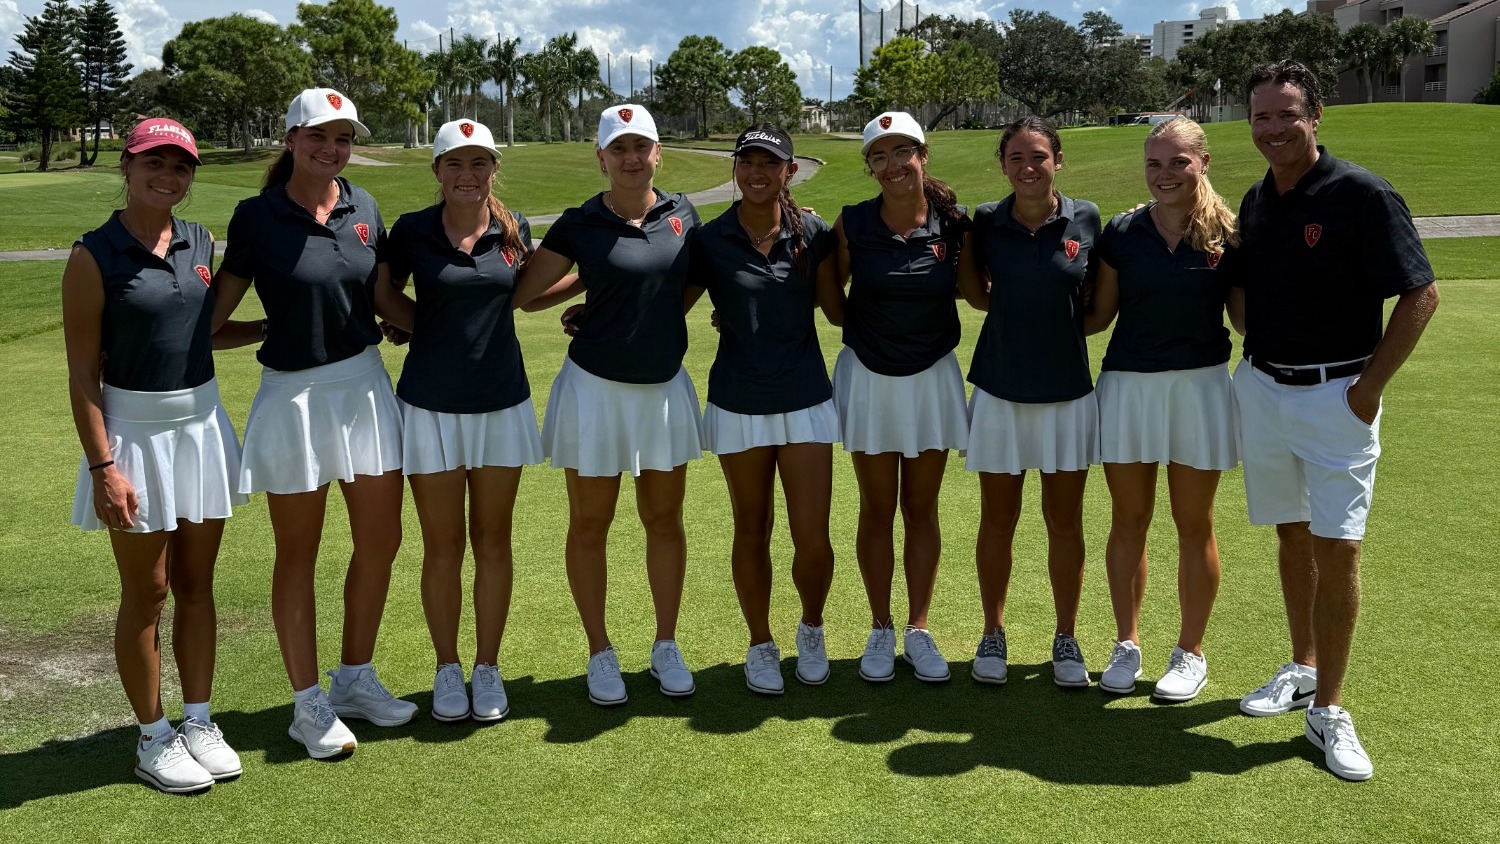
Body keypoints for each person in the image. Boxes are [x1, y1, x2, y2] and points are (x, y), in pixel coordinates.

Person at [1225, 61, 1438, 782]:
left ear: (1317, 116)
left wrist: (1368, 388)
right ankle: (1302, 668)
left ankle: (1331, 710)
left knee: (1338, 548)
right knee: (1291, 534)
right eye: (1261, 117)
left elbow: (1421, 294)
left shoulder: (1362, 194)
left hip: (1336, 397)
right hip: (1264, 389)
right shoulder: (1257, 201)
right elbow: (1246, 287)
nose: (1274, 129)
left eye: (1287, 115)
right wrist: (1256, 355)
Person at [212, 88, 416, 758]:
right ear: (292, 139)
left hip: (363, 387)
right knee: (297, 555)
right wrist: (269, 328)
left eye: (343, 139)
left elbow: (378, 290)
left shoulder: (364, 206)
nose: (332, 150)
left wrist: (401, 320)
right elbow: (211, 321)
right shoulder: (257, 216)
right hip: (293, 397)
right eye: (318, 137)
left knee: (381, 540)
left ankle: (354, 677)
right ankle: (308, 704)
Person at [63, 118, 256, 793]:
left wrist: (276, 330)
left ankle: (198, 721)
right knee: (148, 592)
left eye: (180, 166)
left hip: (202, 427)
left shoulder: (201, 240)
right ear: (128, 164)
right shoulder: (94, 254)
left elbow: (201, 334)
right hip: (133, 435)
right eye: (155, 163)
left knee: (200, 585)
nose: (167, 177)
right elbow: (83, 373)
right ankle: (152, 737)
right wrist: (102, 466)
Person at [511, 104, 703, 706]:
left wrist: (627, 302)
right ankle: (600, 652)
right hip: (593, 391)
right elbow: (526, 293)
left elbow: (687, 281)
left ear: (657, 154)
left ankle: (666, 644)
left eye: (641, 146)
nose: (631, 158)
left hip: (663, 390)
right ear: (601, 158)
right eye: (618, 149)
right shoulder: (579, 222)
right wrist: (594, 292)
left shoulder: (683, 214)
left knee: (664, 522)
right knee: (590, 525)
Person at [375, 119, 540, 722]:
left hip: (502, 402)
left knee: (493, 540)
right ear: (437, 170)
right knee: (442, 545)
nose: (467, 175)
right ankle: (447, 667)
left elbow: (537, 284)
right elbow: (385, 296)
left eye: (479, 164)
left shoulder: (513, 226)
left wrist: (600, 295)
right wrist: (430, 329)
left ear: (494, 168)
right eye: (455, 164)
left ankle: (487, 666)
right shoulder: (412, 230)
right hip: (429, 404)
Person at [1083, 117, 1238, 702]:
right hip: (1128, 387)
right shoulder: (1122, 233)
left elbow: (1246, 319)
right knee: (1129, 520)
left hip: (1200, 389)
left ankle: (1190, 652)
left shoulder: (1229, 236)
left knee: (1194, 524)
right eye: (1155, 163)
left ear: (1202, 163)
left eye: (1178, 162)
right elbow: (1098, 316)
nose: (1165, 174)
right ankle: (1127, 643)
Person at [688, 124, 841, 694]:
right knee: (750, 528)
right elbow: (666, 303)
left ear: (789, 172)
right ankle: (759, 643)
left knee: (811, 534)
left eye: (769, 163)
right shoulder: (708, 239)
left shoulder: (815, 234)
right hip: (738, 401)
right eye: (746, 161)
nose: (757, 172)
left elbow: (840, 311)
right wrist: (594, 316)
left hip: (805, 399)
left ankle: (812, 627)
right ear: (736, 168)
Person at [956, 117, 1101, 688]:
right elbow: (971, 290)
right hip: (1000, 389)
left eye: (1038, 156)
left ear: (1057, 160)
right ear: (1003, 166)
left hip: (1067, 392)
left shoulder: (1086, 218)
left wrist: (1058, 331)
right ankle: (993, 631)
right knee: (998, 520)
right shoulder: (988, 222)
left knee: (1064, 523)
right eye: (1015, 157)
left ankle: (1066, 637)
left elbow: (1096, 302)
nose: (1027, 167)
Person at [832, 111, 970, 684]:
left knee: (921, 508)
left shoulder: (956, 224)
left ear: (922, 155)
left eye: (901, 152)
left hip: (933, 376)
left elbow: (981, 291)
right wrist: (867, 338)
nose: (892, 165)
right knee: (876, 507)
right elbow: (827, 295)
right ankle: (880, 626)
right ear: (870, 167)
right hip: (869, 376)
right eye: (878, 157)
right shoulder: (851, 223)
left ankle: (918, 628)